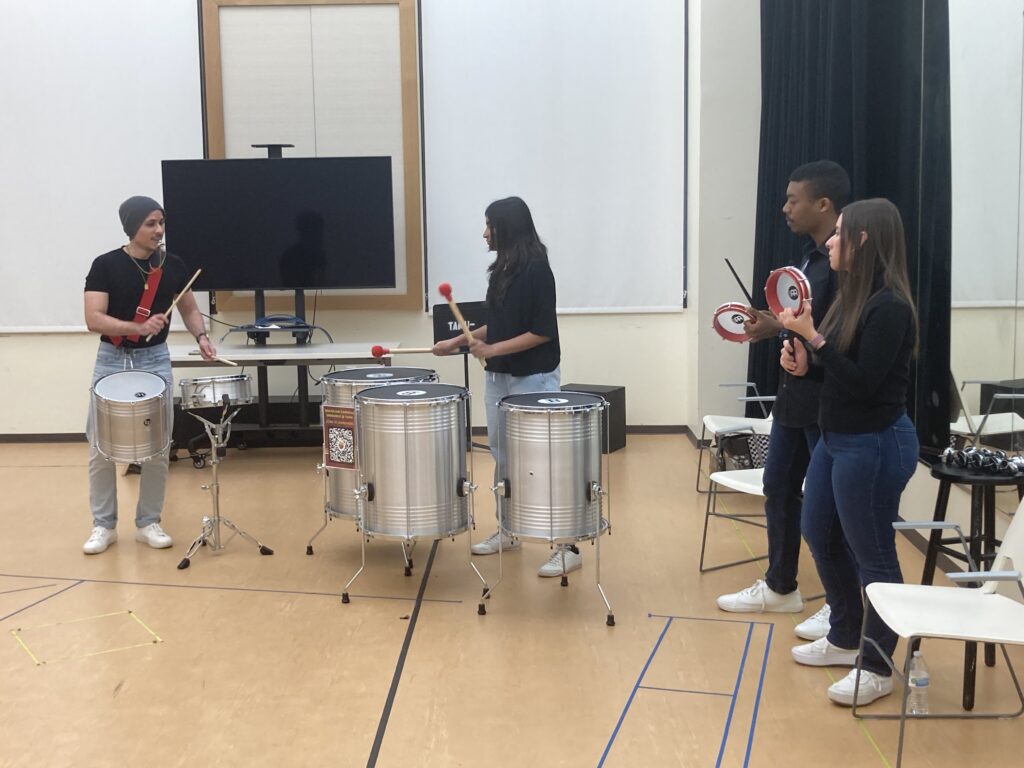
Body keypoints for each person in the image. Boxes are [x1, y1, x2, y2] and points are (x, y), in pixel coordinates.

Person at [779, 198, 919, 706]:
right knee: (817, 529)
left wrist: (812, 339)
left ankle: (878, 666)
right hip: (838, 440)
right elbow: (838, 367)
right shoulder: (852, 299)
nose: (831, 241)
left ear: (863, 240)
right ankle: (844, 634)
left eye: (840, 233)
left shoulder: (890, 307)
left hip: (875, 444)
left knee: (874, 554)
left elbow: (864, 384)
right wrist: (806, 363)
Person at [716, 161, 849, 642]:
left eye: (794, 199)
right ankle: (781, 585)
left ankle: (842, 608)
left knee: (830, 508)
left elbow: (834, 333)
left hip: (828, 402)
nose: (785, 207)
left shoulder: (844, 262)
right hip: (796, 399)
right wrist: (773, 325)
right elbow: (802, 323)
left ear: (824, 204)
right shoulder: (811, 259)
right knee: (779, 487)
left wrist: (788, 330)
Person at [432, 196, 572, 577]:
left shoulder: (538, 271)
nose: (484, 232)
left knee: (542, 460)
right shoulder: (502, 270)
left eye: (489, 225)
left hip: (534, 378)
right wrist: (457, 342)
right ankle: (509, 529)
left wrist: (491, 348)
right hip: (498, 378)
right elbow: (499, 327)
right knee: (503, 457)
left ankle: (566, 544)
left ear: (506, 227)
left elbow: (541, 333)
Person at [82, 196, 216, 554]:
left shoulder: (172, 265)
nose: (159, 230)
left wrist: (202, 337)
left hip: (155, 359)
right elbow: (94, 318)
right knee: (100, 447)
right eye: (151, 224)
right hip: (111, 359)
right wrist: (136, 327)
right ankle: (103, 526)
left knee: (158, 446)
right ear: (132, 228)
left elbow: (188, 308)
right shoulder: (105, 265)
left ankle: (148, 522)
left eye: (161, 223)